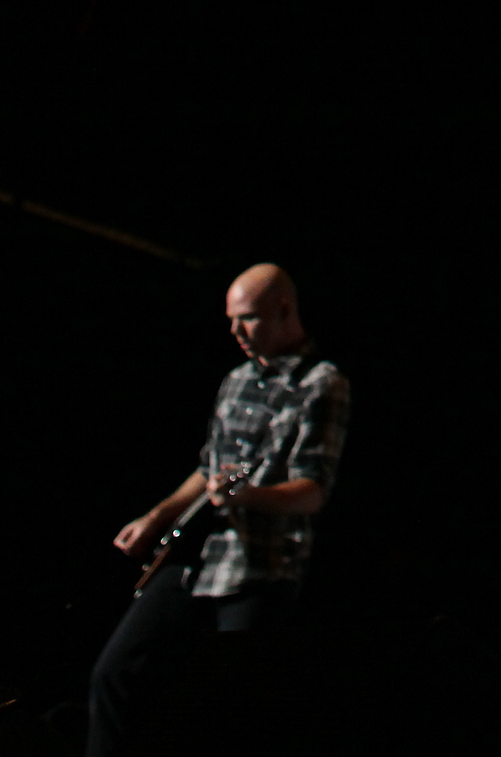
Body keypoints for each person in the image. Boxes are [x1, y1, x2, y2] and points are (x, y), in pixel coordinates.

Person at [87, 263, 350, 756]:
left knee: (227, 708)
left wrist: (246, 496)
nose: (236, 332)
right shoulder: (234, 380)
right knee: (114, 673)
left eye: (247, 319)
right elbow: (209, 468)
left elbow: (313, 490)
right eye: (231, 320)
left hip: (261, 567)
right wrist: (155, 517)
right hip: (200, 559)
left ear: (284, 311)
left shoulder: (322, 383)